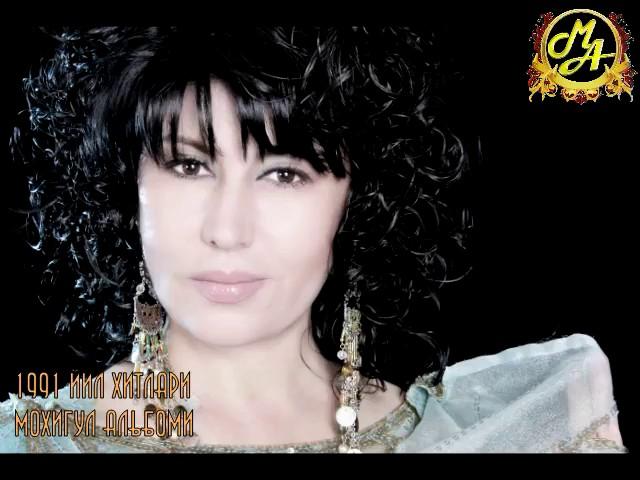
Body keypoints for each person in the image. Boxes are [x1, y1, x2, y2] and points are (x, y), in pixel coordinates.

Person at [0, 26, 626, 453]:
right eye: (189, 166)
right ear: (127, 187)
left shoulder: (500, 432)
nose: (227, 230)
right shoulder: (27, 440)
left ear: (355, 202)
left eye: (283, 175)